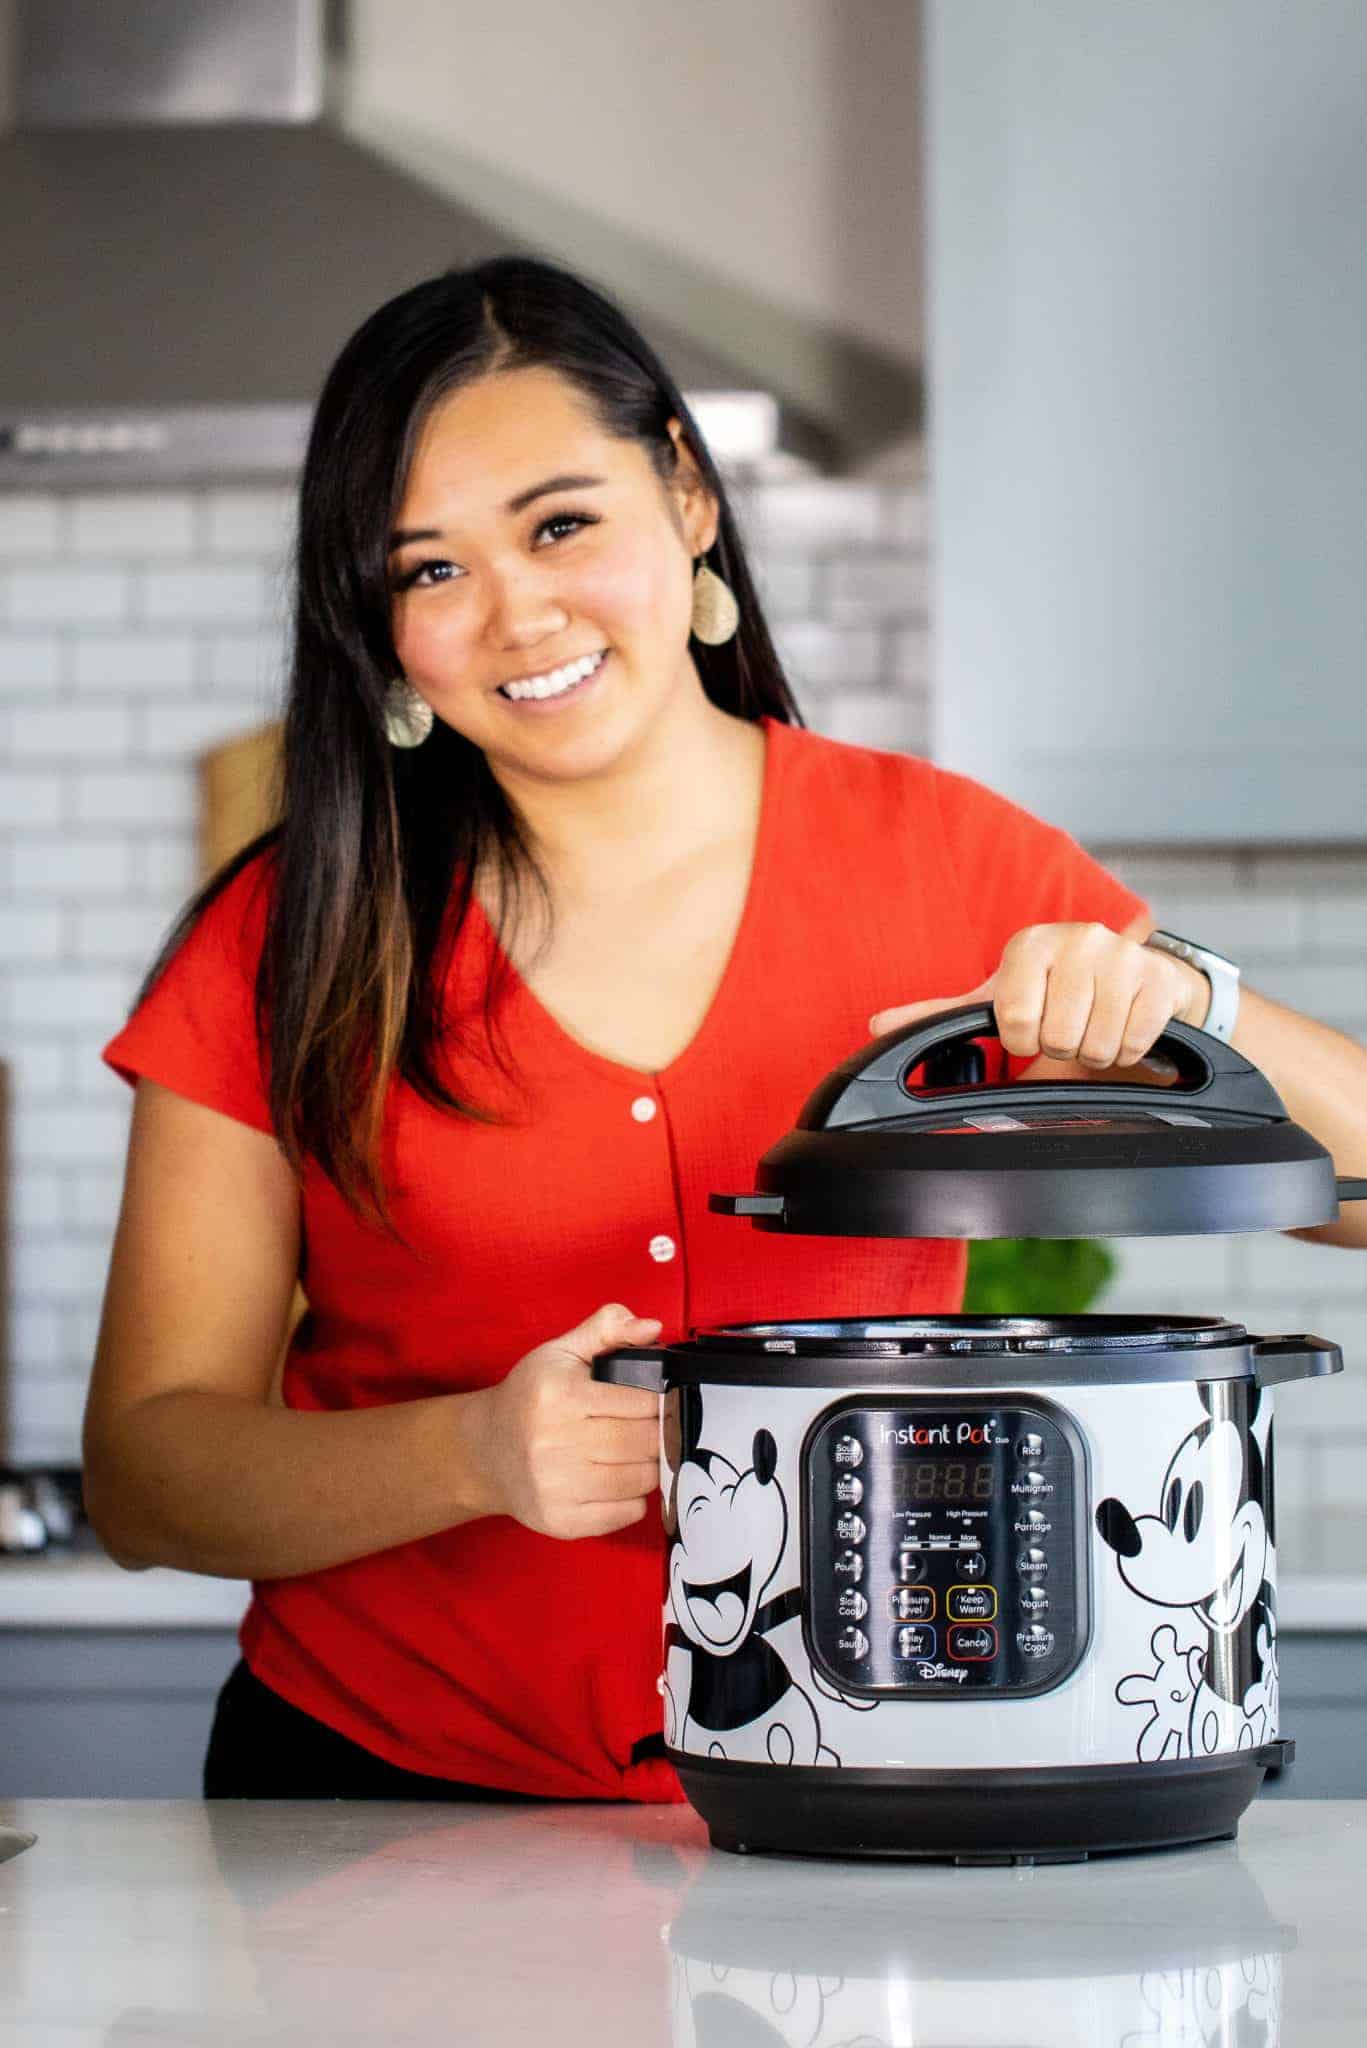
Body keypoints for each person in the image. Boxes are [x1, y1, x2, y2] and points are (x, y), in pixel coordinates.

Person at [83, 255, 1367, 1805]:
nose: (516, 615)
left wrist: (1188, 998)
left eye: (563, 524)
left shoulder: (948, 865)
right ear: (377, 624)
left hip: (867, 1790)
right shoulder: (288, 938)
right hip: (375, 1796)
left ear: (685, 496)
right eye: (430, 570)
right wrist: (474, 1454)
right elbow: (147, 1473)